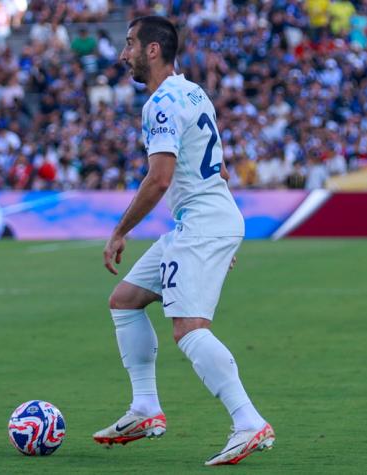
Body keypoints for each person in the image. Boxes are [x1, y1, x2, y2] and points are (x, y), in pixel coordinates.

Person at [93, 16, 274, 466]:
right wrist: (221, 237)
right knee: (125, 301)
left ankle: (248, 421)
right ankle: (145, 408)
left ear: (153, 49)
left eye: (130, 44)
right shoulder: (193, 91)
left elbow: (159, 179)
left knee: (188, 328)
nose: (124, 54)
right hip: (203, 223)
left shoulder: (160, 104)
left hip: (201, 225)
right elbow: (222, 169)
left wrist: (120, 231)